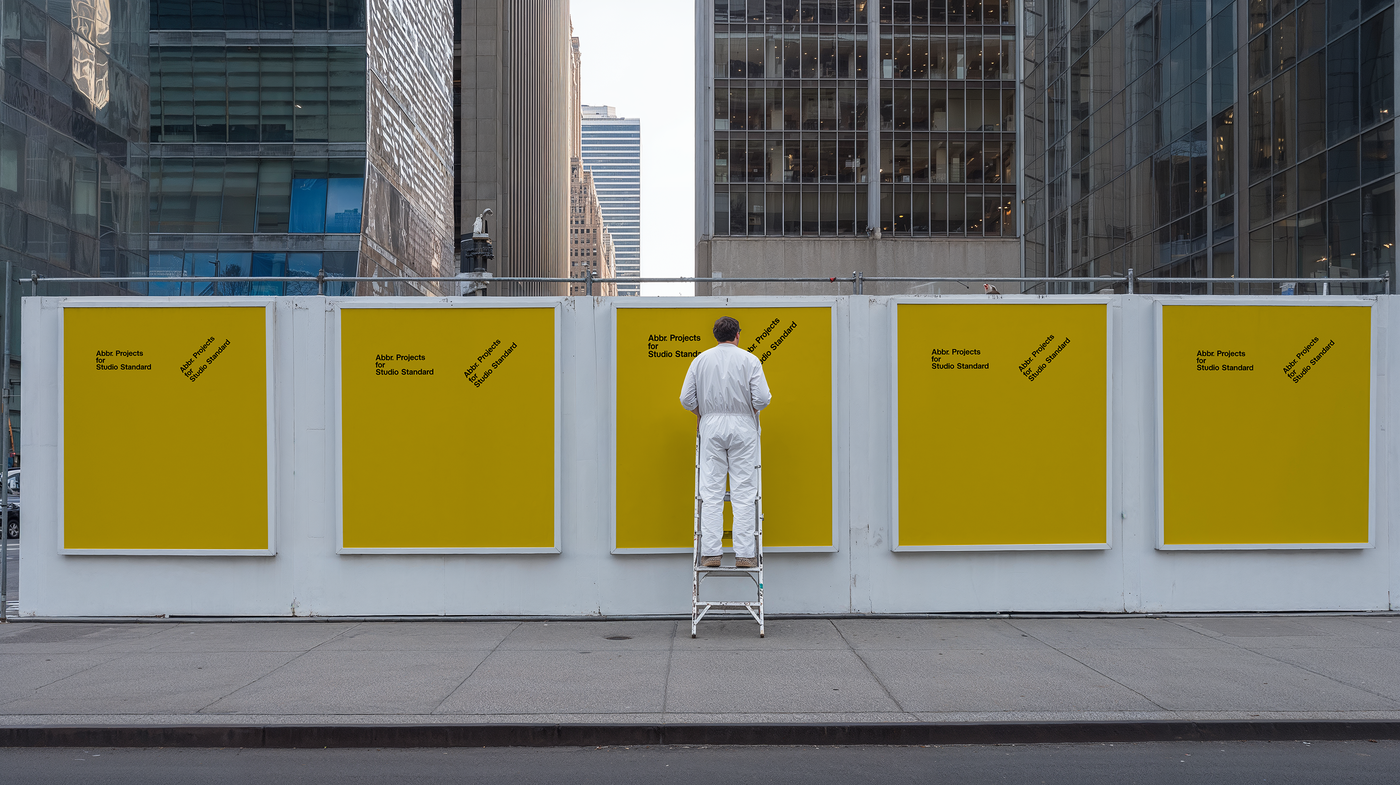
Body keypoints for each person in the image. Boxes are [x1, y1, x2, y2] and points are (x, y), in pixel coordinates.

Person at [679, 316, 772, 568]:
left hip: (710, 424)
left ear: (715, 335)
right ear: (738, 334)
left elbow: (686, 398)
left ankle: (711, 553)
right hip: (743, 424)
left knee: (711, 490)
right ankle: (745, 554)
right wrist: (750, 409)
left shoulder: (701, 360)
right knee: (744, 491)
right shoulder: (750, 360)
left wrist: (701, 413)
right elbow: (763, 398)